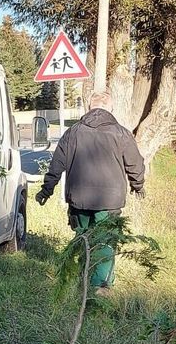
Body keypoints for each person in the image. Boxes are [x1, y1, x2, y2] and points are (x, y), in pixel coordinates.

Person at [35, 92, 146, 293]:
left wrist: (46, 190)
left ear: (88, 107)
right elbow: (135, 164)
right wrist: (138, 185)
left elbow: (56, 165)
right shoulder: (121, 133)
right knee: (105, 241)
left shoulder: (73, 132)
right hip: (110, 201)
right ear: (110, 108)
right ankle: (100, 286)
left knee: (83, 237)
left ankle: (84, 279)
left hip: (79, 199)